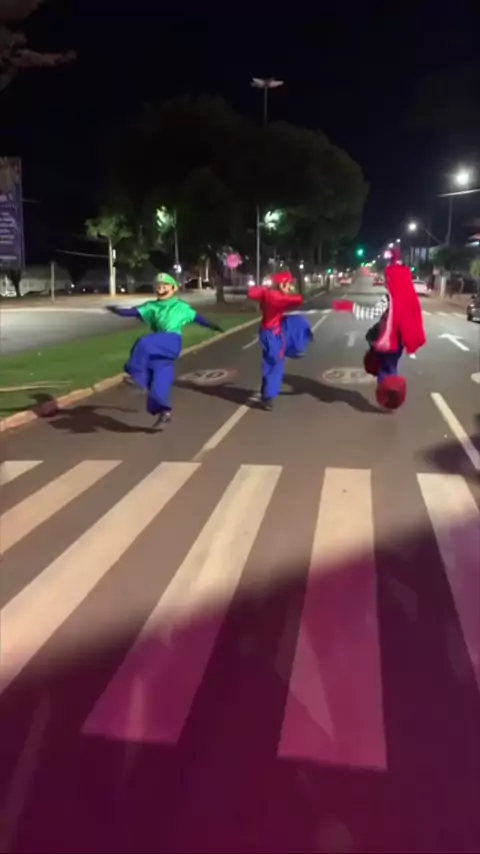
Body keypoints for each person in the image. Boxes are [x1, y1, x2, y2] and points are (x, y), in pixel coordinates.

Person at [106, 272, 223, 426]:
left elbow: (198, 318)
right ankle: (164, 412)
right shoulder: (151, 306)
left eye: (165, 286)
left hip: (171, 341)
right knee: (159, 383)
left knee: (143, 343)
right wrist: (116, 310)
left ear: (173, 288)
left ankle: (136, 376)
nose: (160, 289)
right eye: (158, 286)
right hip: (159, 349)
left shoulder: (181, 307)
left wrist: (213, 326)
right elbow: (131, 312)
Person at [332, 248, 426, 410]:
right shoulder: (409, 299)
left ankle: (388, 397)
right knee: (392, 367)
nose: (385, 282)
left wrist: (350, 307)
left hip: (386, 341)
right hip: (400, 343)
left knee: (383, 368)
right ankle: (393, 391)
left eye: (387, 280)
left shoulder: (388, 299)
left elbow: (371, 313)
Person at [248, 272, 313, 410]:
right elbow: (298, 300)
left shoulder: (268, 293)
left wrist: (265, 289)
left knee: (297, 322)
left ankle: (266, 394)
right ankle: (267, 397)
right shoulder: (277, 297)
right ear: (282, 285)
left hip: (271, 329)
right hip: (271, 333)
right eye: (288, 284)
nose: (290, 286)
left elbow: (252, 293)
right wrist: (289, 292)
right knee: (276, 364)